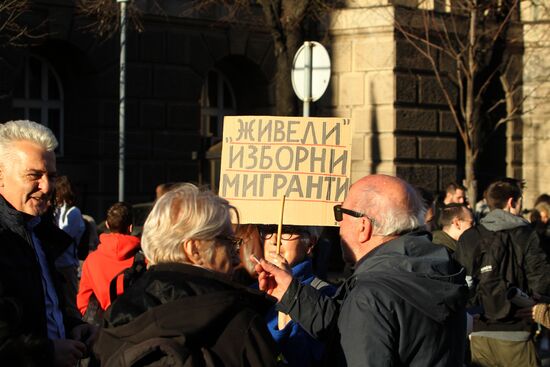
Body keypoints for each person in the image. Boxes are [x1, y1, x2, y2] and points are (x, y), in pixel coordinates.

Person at [254, 174, 467, 366]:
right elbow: (345, 324)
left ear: (364, 226)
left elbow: (365, 320)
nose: (338, 224)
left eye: (341, 212)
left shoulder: (370, 295)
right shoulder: (432, 268)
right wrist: (290, 292)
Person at [94, 183, 278, 366]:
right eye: (228, 242)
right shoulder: (238, 322)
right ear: (194, 249)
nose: (236, 257)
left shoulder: (117, 316)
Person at [0, 120, 97, 366]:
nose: (47, 187)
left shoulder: (39, 233)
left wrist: (72, 327)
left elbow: (42, 311)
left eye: (51, 176)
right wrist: (45, 353)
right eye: (34, 175)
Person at [455, 178, 550, 367]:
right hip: (518, 331)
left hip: (479, 331)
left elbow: (460, 281)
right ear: (511, 202)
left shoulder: (469, 236)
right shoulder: (526, 234)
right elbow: (541, 279)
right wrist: (537, 305)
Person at [258, 224, 335, 366]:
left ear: (310, 243)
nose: (275, 239)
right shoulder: (249, 292)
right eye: (268, 230)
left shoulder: (326, 295)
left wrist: (287, 298)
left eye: (286, 231)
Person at [77, 202, 141, 316]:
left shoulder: (91, 260)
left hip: (104, 326)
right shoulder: (143, 259)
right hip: (136, 324)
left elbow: (83, 302)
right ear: (130, 227)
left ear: (107, 224)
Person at [54, 175, 85, 319]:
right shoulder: (57, 211)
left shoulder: (73, 213)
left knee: (71, 304)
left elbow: (63, 238)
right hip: (57, 264)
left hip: (66, 265)